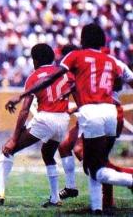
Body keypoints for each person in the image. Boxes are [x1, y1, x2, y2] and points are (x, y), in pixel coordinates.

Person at [5, 23, 133, 214]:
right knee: (94, 160)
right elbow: (125, 81)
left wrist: (22, 96)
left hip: (92, 112)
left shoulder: (76, 56)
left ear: (82, 40)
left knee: (94, 168)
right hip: (112, 113)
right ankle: (97, 208)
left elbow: (51, 78)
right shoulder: (112, 61)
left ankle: (129, 181)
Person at [0, 44, 72, 207]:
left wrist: (14, 138)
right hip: (63, 119)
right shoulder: (64, 73)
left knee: (8, 149)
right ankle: (55, 198)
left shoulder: (34, 76)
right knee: (48, 154)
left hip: (46, 118)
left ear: (35, 60)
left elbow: (24, 110)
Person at [57, 46, 133, 209]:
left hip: (104, 113)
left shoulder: (80, 68)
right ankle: (72, 188)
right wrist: (74, 108)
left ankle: (120, 185)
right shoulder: (83, 70)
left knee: (89, 159)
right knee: (65, 146)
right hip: (92, 114)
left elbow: (97, 95)